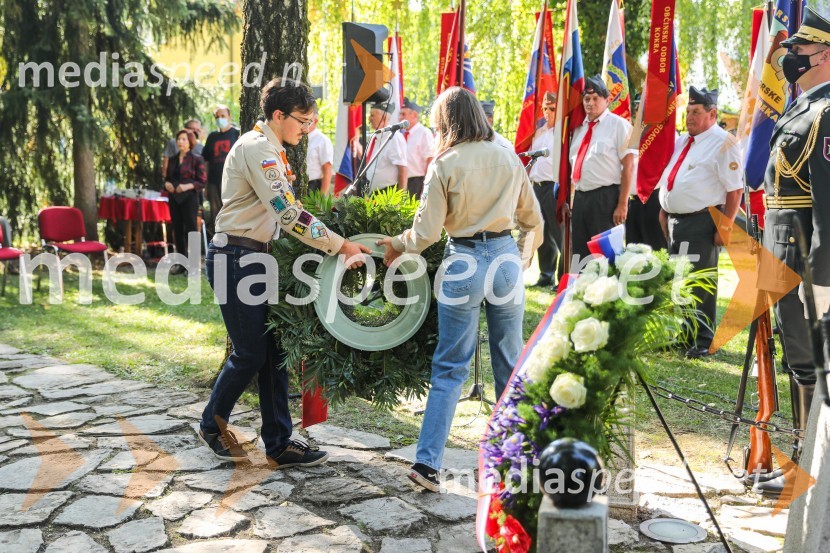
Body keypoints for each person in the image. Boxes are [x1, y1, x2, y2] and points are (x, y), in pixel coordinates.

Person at [376, 87, 543, 492]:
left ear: (445, 122)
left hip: (462, 262)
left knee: (450, 367)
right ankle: (522, 463)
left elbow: (426, 233)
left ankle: (427, 464)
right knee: (510, 365)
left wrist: (396, 246)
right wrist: (518, 261)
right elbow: (533, 218)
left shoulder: (444, 162)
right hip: (504, 258)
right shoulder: (507, 156)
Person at [200, 78, 371, 467]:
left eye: (311, 121)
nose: (306, 129)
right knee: (249, 352)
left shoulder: (271, 148)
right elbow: (289, 213)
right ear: (278, 115)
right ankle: (212, 423)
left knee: (274, 352)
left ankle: (279, 443)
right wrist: (340, 244)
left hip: (257, 257)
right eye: (302, 120)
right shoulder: (258, 149)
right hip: (236, 258)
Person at [754, 6, 830, 494]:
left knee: (819, 366)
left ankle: (813, 479)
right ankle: (803, 468)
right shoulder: (802, 106)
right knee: (801, 362)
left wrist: (822, 281)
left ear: (824, 54)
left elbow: (826, 202)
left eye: (800, 51)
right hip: (784, 253)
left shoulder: (826, 114)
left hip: (810, 262)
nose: (791, 58)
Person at [657, 86, 743, 359]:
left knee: (700, 284)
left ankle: (704, 339)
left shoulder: (723, 142)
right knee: (680, 283)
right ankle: (684, 336)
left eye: (696, 112)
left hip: (703, 221)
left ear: (712, 114)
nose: (689, 117)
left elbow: (735, 189)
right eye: (687, 111)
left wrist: (726, 226)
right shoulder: (684, 141)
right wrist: (664, 210)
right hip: (676, 221)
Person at [568, 75, 637, 260]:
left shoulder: (619, 125)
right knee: (580, 255)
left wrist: (623, 204)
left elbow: (629, 166)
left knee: (606, 256)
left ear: (607, 100)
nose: (590, 103)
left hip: (605, 199)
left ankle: (609, 289)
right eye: (587, 99)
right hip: (581, 198)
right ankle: (584, 288)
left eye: (595, 98)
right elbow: (575, 166)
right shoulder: (579, 129)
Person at [527, 91, 564, 287]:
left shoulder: (563, 133)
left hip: (554, 186)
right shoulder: (539, 132)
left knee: (560, 233)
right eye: (545, 108)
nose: (548, 112)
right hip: (537, 187)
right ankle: (545, 274)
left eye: (552, 108)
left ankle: (563, 277)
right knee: (542, 232)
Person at [164, 128, 206, 267]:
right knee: (177, 229)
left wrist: (187, 186)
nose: (180, 142)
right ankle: (181, 264)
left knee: (191, 229)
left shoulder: (196, 159)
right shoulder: (172, 159)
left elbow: (202, 181)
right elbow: (167, 178)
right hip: (174, 198)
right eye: (178, 139)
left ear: (190, 142)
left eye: (184, 139)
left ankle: (193, 264)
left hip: (189, 198)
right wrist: (167, 184)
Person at [202, 105, 241, 234]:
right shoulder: (212, 137)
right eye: (217, 117)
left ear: (229, 116)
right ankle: (218, 241)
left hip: (232, 181)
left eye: (223, 116)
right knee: (216, 213)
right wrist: (206, 184)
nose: (220, 119)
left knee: (232, 212)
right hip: (213, 181)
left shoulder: (237, 133)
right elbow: (206, 161)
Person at [361, 102, 408, 193]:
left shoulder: (394, 137)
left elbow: (402, 168)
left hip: (388, 193)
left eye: (372, 115)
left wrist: (400, 197)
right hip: (372, 193)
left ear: (384, 118)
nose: (369, 118)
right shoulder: (375, 136)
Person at [399, 97, 434, 199]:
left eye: (403, 114)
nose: (400, 118)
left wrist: (426, 185)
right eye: (400, 114)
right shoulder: (401, 134)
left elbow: (430, 159)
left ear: (414, 115)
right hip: (402, 182)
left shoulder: (424, 133)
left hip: (417, 182)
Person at [305, 117, 334, 194]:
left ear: (316, 120)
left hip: (313, 187)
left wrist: (322, 196)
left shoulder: (322, 140)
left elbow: (327, 168)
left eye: (308, 120)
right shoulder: (298, 137)